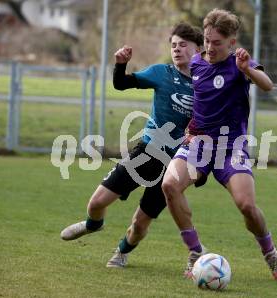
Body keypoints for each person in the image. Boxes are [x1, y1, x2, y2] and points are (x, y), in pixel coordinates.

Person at [60, 23, 203, 268]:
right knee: (96, 203)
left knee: (140, 223)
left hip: (175, 164)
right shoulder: (162, 73)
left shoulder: (205, 86)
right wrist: (120, 64)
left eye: (183, 45)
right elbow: (121, 84)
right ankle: (93, 224)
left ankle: (121, 253)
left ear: (199, 49)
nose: (177, 50)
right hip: (146, 154)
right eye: (173, 45)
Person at [161, 9, 277, 281]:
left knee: (246, 205)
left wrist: (247, 70)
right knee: (169, 185)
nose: (210, 47)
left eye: (217, 42)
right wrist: (189, 129)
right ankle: (196, 251)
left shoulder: (240, 64)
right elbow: (200, 103)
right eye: (207, 40)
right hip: (200, 145)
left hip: (231, 148)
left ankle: (269, 252)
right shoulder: (196, 64)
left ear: (232, 42)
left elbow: (267, 86)